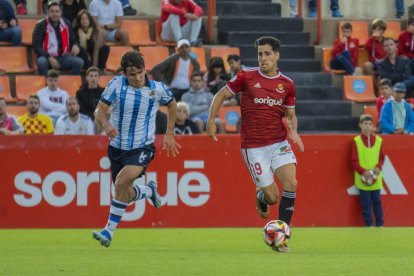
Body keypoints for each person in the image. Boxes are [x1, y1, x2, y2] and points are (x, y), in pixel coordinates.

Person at [206, 36, 304, 252]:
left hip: (278, 142)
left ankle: (282, 238)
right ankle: (261, 196)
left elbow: (290, 114)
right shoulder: (246, 77)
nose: (263, 58)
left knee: (292, 183)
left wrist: (294, 131)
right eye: (260, 54)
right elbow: (222, 94)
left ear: (277, 55)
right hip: (254, 147)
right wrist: (211, 120)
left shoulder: (287, 84)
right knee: (272, 197)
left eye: (267, 53)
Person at [92, 50, 181, 248]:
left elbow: (173, 105)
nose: (138, 78)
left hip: (142, 146)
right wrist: (107, 126)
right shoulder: (116, 85)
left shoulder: (157, 89)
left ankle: (108, 231)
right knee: (123, 191)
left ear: (144, 69)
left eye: (140, 72)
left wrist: (169, 133)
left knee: (122, 181)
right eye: (132, 74)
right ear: (124, 74)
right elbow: (99, 111)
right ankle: (148, 191)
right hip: (117, 147)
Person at [32, 0, 84, 77]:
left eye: (57, 11)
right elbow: (37, 46)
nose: (54, 14)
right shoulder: (40, 25)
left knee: (79, 62)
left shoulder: (66, 24)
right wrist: (49, 57)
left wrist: (76, 45)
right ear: (48, 12)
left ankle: (69, 84)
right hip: (47, 57)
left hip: (63, 57)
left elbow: (74, 39)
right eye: (52, 11)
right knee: (41, 62)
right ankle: (47, 86)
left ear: (61, 12)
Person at [352, 114, 385, 227]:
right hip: (362, 178)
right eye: (365, 124)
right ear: (360, 125)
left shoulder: (379, 140)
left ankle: (380, 224)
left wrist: (378, 167)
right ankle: (369, 225)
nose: (367, 126)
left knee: (377, 203)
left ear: (373, 126)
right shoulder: (356, 141)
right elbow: (354, 160)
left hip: (376, 178)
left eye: (370, 124)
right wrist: (363, 172)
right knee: (365, 204)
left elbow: (381, 158)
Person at [363, 18, 387, 83]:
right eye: (376, 29)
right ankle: (376, 86)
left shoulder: (386, 40)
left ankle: (386, 85)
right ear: (373, 30)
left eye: (380, 29)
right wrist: (372, 37)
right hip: (374, 62)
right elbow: (366, 48)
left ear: (383, 31)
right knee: (367, 65)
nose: (378, 31)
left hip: (384, 62)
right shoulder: (371, 39)